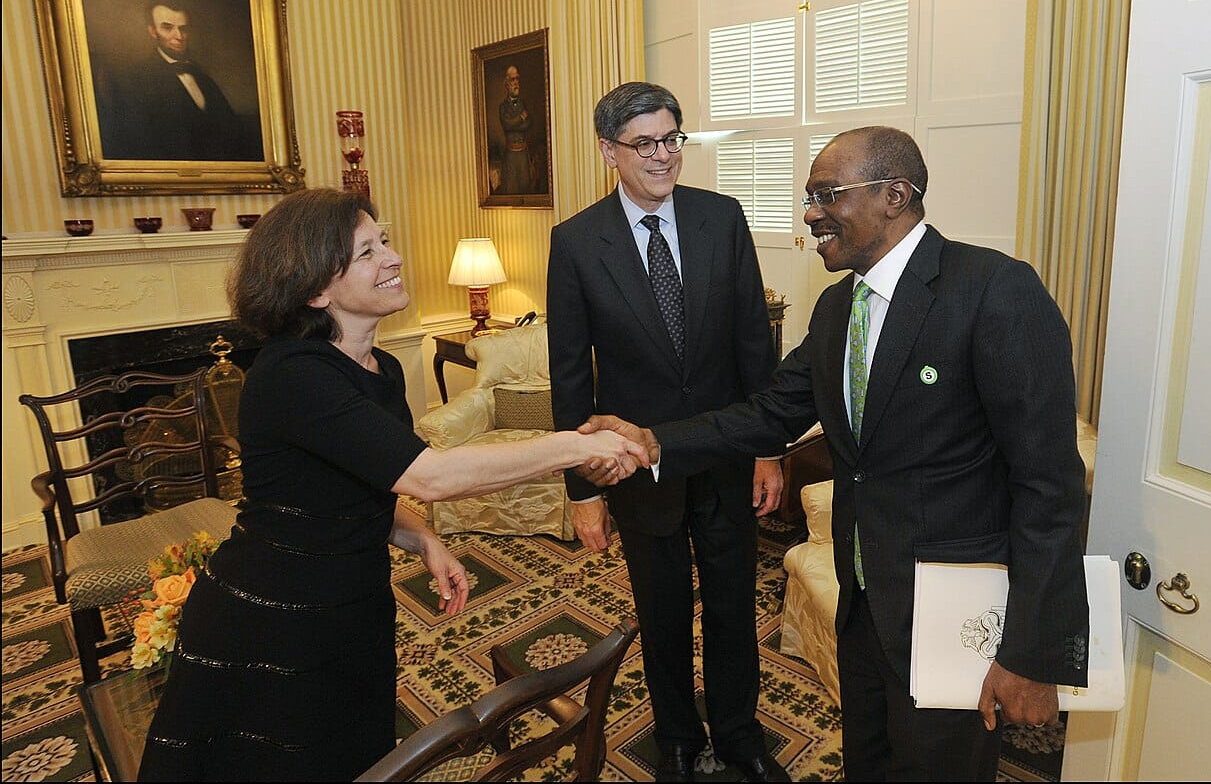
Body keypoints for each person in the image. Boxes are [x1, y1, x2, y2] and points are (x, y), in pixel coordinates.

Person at [585, 126, 1091, 781]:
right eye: (808, 196)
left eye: (827, 194)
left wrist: (1031, 651)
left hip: (951, 617)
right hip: (862, 609)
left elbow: (1049, 484)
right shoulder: (835, 310)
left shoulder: (992, 290)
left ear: (894, 194)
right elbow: (768, 413)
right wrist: (655, 440)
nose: (810, 213)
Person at [137, 188, 647, 782]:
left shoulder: (383, 369)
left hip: (353, 602)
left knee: (353, 752)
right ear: (315, 288)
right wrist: (578, 445)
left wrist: (421, 539)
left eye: (385, 240)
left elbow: (352, 490)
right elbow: (429, 475)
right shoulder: (294, 374)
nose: (394, 257)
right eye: (367, 251)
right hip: (275, 615)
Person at [547, 81, 791, 783]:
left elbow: (754, 344)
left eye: (672, 138)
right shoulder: (575, 243)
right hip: (634, 470)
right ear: (608, 151)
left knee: (732, 606)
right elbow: (571, 379)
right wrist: (581, 490)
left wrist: (767, 447)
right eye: (645, 143)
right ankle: (677, 738)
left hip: (723, 457)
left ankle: (741, 735)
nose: (663, 155)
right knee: (661, 612)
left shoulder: (723, 217)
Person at [96, 0, 261, 162]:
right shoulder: (135, 79)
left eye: (183, 28)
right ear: (153, 31)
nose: (179, 36)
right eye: (167, 28)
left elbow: (232, 131)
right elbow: (138, 144)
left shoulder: (202, 77)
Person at [494, 64, 534, 194]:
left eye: (517, 79)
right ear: (507, 84)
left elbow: (528, 124)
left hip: (523, 153)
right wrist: (521, 117)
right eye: (512, 80)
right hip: (511, 155)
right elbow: (506, 125)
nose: (516, 83)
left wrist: (514, 123)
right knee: (512, 189)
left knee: (526, 186)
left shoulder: (523, 103)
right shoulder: (503, 107)